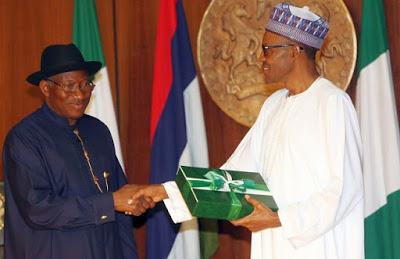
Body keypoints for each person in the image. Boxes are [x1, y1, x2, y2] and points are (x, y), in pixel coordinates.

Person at [143, 3, 364, 259]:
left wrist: (279, 219)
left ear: (295, 51)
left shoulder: (333, 102)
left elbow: (344, 188)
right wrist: (165, 192)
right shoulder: (273, 106)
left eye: (267, 49)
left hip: (317, 247)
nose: (261, 58)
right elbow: (234, 175)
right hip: (272, 244)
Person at [2, 43, 153, 259]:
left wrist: (135, 203)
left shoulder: (98, 131)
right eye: (70, 86)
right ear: (46, 88)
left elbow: (120, 198)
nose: (81, 94)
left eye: (86, 85)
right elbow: (39, 209)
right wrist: (110, 203)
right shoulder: (24, 139)